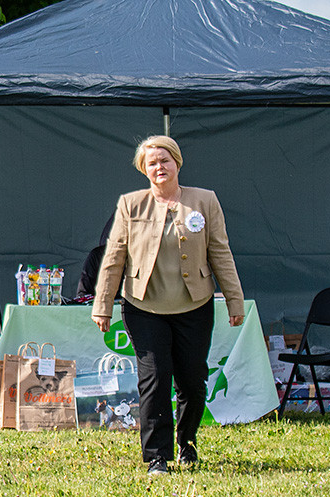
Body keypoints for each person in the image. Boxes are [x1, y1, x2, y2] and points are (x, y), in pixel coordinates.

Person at [91, 135, 244, 475]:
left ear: (177, 162)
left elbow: (221, 252)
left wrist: (235, 300)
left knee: (192, 381)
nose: (159, 167)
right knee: (155, 379)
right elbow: (114, 258)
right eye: (152, 163)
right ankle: (157, 456)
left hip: (195, 305)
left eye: (165, 160)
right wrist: (103, 304)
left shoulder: (205, 200)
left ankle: (187, 441)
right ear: (143, 170)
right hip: (144, 307)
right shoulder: (130, 204)